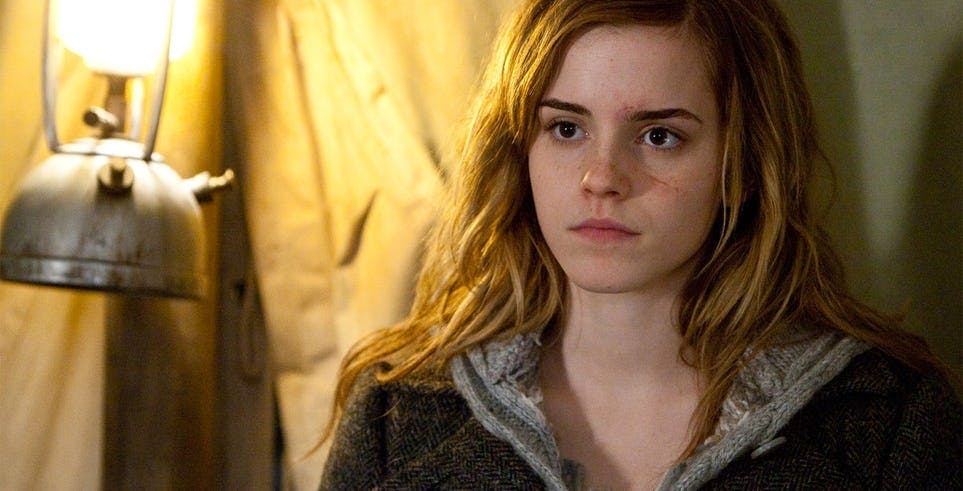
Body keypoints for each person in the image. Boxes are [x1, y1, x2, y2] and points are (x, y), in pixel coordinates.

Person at [318, 0, 962, 489]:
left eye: (659, 136)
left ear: (743, 162)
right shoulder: (399, 409)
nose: (601, 178)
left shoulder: (885, 422)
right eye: (566, 128)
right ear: (519, 149)